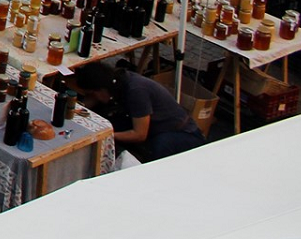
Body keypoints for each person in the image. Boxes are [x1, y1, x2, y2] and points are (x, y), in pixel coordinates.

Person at [73, 60, 205, 162]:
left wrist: (104, 135)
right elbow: (90, 102)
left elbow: (139, 134)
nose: (92, 98)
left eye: (92, 94)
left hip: (181, 134)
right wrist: (78, 110)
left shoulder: (136, 91)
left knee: (159, 147)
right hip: (155, 129)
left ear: (101, 90)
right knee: (110, 122)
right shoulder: (115, 84)